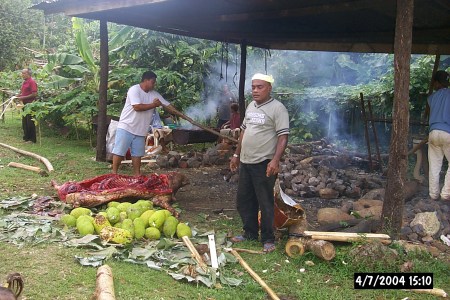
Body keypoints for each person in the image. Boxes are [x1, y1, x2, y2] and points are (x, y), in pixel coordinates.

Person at [229, 73, 289, 253]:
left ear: (269, 88)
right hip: (246, 161)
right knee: (244, 200)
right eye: (253, 87)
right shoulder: (250, 106)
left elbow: (283, 137)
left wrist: (275, 160)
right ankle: (250, 233)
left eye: (260, 87)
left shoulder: (278, 109)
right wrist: (236, 155)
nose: (255, 90)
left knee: (265, 201)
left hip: (264, 162)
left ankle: (268, 238)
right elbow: (243, 133)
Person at [112, 70, 175, 176]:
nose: (154, 84)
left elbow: (167, 105)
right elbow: (137, 107)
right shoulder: (134, 90)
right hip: (126, 127)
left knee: (137, 154)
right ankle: (114, 174)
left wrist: (181, 114)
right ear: (146, 80)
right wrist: (153, 105)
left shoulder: (154, 94)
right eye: (153, 82)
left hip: (140, 130)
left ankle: (137, 174)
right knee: (119, 151)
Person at [427, 70, 450, 201]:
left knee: (434, 165)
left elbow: (430, 112)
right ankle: (446, 194)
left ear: (436, 83)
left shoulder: (431, 98)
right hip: (448, 132)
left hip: (433, 132)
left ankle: (433, 194)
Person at [14, 68, 38, 143]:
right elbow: (23, 92)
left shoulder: (32, 82)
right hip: (24, 104)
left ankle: (32, 139)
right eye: (22, 73)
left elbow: (34, 94)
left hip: (30, 104)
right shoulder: (24, 82)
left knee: (30, 122)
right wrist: (17, 96)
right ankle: (26, 138)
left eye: (23, 73)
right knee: (25, 122)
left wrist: (22, 97)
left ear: (28, 74)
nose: (22, 75)